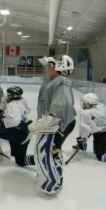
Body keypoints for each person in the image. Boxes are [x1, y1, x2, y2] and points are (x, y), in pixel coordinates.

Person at [28, 55, 76, 195]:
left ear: (60, 68)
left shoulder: (61, 82)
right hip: (55, 123)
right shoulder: (55, 81)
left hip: (58, 124)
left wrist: (47, 121)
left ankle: (54, 181)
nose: (47, 69)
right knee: (52, 149)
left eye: (50, 66)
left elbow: (60, 106)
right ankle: (50, 173)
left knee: (48, 151)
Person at [0, 87, 34, 167]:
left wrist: (3, 119)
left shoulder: (12, 105)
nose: (7, 96)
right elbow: (27, 111)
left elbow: (15, 121)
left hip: (17, 133)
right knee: (20, 161)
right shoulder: (21, 102)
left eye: (9, 95)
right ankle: (39, 160)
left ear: (13, 96)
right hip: (25, 132)